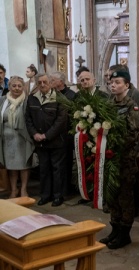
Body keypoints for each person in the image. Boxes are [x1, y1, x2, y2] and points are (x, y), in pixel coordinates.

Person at [99, 70, 139, 249]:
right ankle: (115, 229)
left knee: (125, 197)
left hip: (125, 160)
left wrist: (114, 145)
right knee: (112, 196)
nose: (113, 85)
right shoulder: (108, 104)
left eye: (117, 82)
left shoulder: (132, 106)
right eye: (111, 82)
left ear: (127, 85)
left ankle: (125, 233)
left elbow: (134, 134)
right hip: (110, 159)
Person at [25, 73, 68, 207]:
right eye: (40, 83)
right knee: (43, 169)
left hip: (56, 141)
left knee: (57, 169)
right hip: (40, 141)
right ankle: (45, 195)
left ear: (51, 83)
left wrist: (46, 135)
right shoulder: (32, 99)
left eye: (45, 82)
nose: (42, 85)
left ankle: (57, 196)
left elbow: (61, 121)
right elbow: (28, 118)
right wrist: (34, 134)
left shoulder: (60, 98)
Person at [0, 76, 34, 198]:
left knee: (24, 165)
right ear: (9, 87)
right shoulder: (3, 100)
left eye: (20, 86)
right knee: (11, 165)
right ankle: (14, 189)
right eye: (14, 86)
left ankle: (24, 189)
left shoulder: (27, 100)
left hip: (23, 138)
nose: (17, 88)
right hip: (7, 139)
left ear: (23, 87)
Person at [50, 71, 77, 196]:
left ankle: (66, 189)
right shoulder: (51, 94)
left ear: (61, 81)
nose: (50, 83)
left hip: (67, 134)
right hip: (53, 134)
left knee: (66, 163)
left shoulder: (71, 95)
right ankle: (56, 189)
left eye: (52, 80)